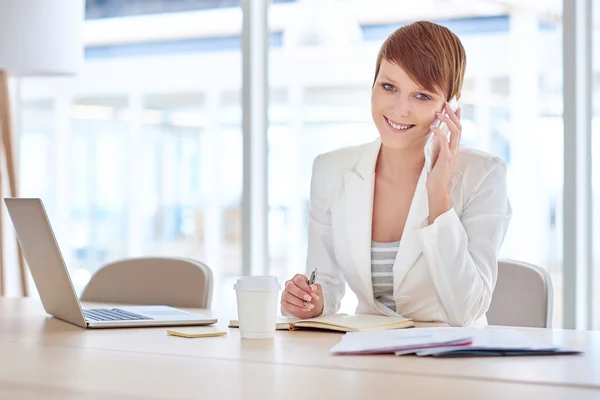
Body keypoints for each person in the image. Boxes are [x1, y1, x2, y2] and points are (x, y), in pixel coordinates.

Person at [280, 21, 512, 327]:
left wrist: (438, 195)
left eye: (422, 96)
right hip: (366, 355)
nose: (400, 109)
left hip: (451, 359)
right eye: (389, 87)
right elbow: (327, 288)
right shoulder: (331, 170)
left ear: (449, 106)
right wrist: (310, 302)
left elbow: (466, 310)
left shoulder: (483, 174)